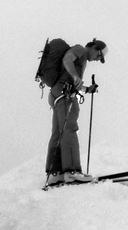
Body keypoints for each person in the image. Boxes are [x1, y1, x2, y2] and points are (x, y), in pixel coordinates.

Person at [45, 40, 108, 185]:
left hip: (57, 92)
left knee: (57, 132)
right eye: (99, 55)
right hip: (64, 94)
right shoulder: (80, 50)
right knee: (70, 128)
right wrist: (75, 76)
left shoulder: (82, 58)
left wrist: (86, 89)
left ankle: (55, 172)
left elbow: (73, 81)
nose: (98, 59)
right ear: (94, 47)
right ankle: (71, 171)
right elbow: (67, 60)